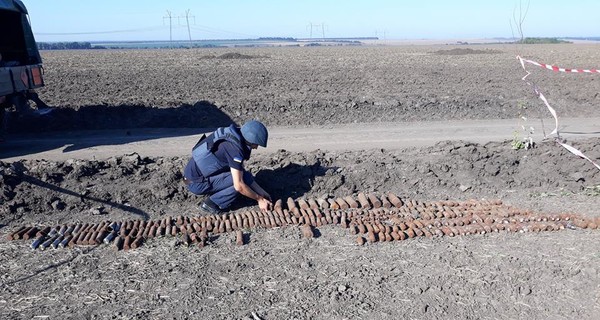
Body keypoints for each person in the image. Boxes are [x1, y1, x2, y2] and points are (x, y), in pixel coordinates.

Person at [183, 120, 273, 214]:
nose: (256, 148)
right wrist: (259, 199)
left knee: (242, 176)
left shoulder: (234, 136)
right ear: (250, 141)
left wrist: (261, 192)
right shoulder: (235, 150)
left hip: (193, 177)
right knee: (240, 184)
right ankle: (211, 204)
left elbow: (242, 171)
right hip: (196, 184)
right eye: (256, 144)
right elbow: (239, 186)